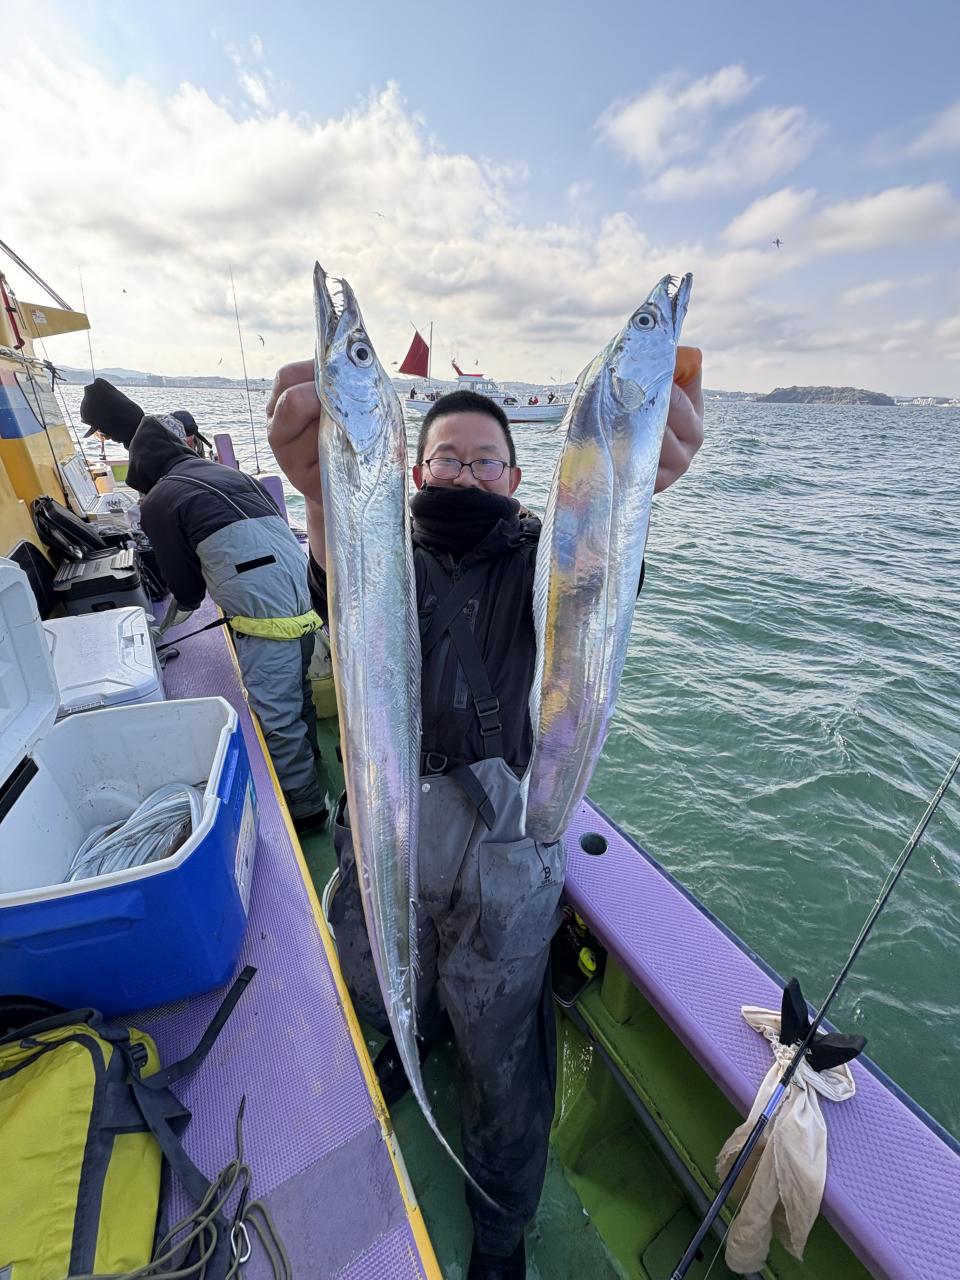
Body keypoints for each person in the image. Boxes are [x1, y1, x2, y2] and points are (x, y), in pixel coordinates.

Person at [266, 370, 703, 1279]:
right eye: (447, 459)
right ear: (414, 470)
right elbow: (334, 564)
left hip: (500, 844)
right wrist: (316, 494)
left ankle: (499, 1234)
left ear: (515, 477)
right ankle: (411, 1042)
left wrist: (629, 491)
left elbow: (593, 580)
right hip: (387, 822)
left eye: (485, 461)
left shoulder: (542, 556)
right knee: (383, 979)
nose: (465, 474)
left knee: (503, 1058)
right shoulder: (377, 545)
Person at [126, 414, 329, 832]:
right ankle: (313, 761)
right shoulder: (231, 474)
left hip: (265, 618)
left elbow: (186, 589)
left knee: (277, 716)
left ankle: (306, 810)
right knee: (300, 694)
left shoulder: (160, 499)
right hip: (305, 598)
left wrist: (167, 626)